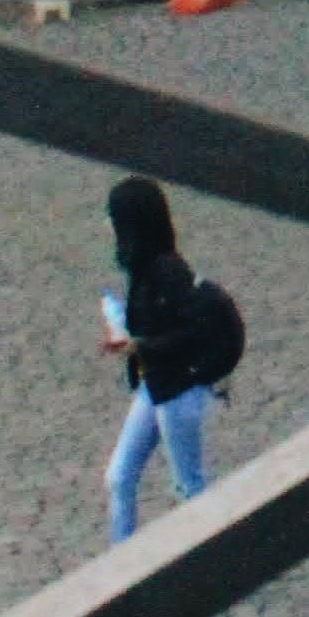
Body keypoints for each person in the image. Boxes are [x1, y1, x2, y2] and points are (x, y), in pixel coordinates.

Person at [99, 174, 224, 543]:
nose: (109, 225)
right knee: (118, 477)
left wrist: (141, 347)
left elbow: (194, 332)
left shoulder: (169, 272)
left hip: (179, 391)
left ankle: (215, 557)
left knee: (189, 484)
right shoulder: (143, 266)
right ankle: (122, 562)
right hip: (155, 385)